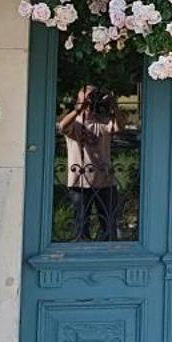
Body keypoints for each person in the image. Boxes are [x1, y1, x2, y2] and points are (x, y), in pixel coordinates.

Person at [59, 84, 121, 240]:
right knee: (81, 226)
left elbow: (119, 126)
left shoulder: (102, 122)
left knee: (109, 226)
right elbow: (62, 126)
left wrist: (114, 106)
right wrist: (79, 109)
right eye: (89, 97)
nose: (92, 102)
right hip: (80, 182)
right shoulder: (75, 123)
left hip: (105, 181)